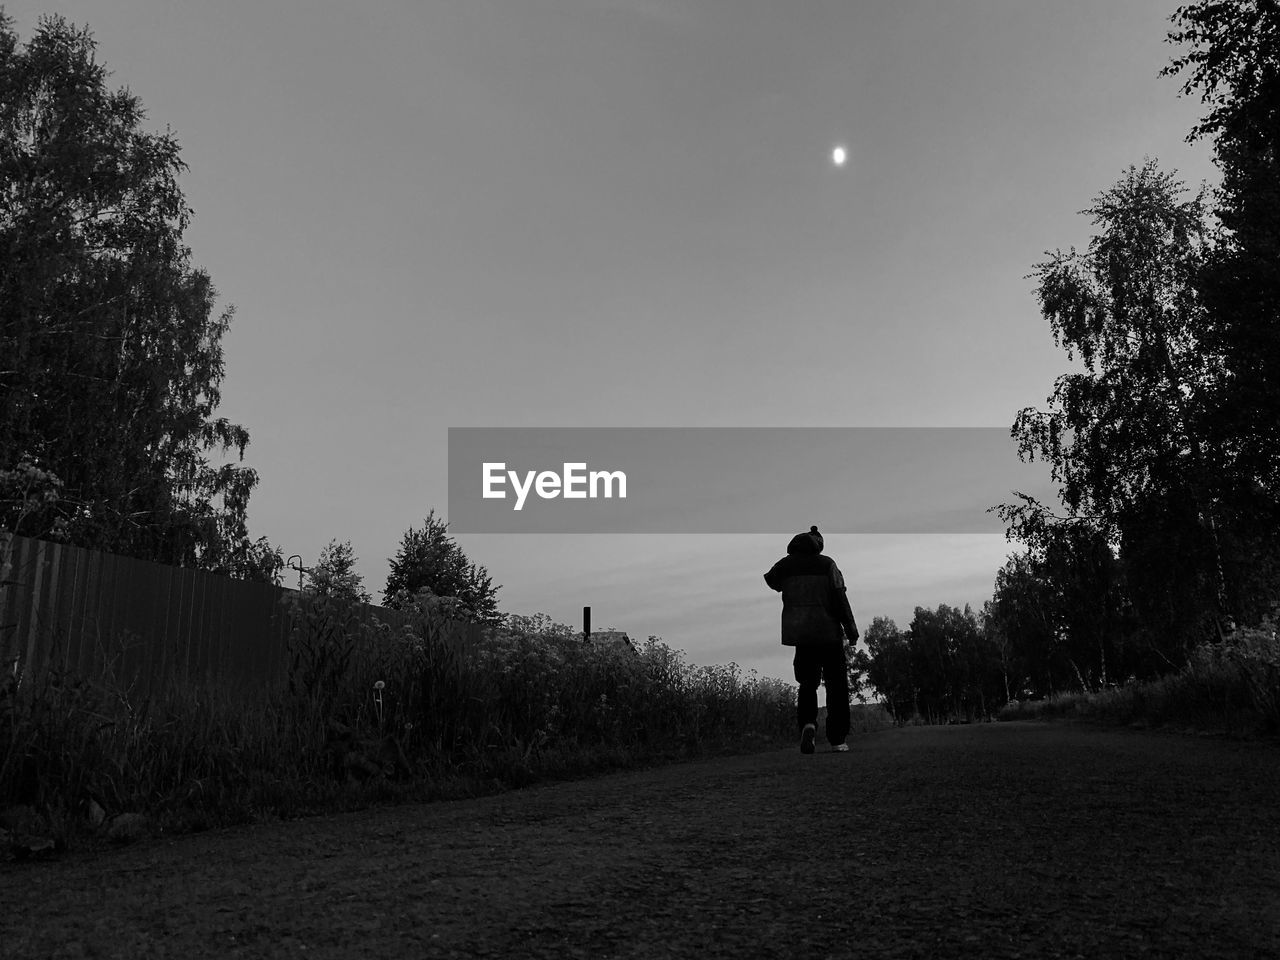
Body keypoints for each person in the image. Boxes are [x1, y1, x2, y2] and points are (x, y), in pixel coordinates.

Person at [764, 525, 859, 754]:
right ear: (818, 545)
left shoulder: (785, 565)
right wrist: (851, 630)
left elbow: (771, 580)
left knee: (807, 683)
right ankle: (837, 739)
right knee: (836, 685)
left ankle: (807, 724)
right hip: (828, 633)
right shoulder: (827, 564)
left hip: (801, 635)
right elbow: (840, 598)